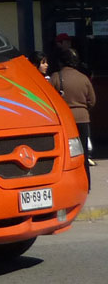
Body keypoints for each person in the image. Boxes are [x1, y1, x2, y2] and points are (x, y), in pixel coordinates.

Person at [51, 48, 96, 191]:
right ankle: (86, 184)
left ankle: (68, 186)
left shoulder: (56, 77)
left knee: (67, 154)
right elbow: (92, 101)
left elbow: (50, 99)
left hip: (65, 120)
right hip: (83, 119)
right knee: (83, 153)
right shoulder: (84, 78)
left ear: (60, 61)